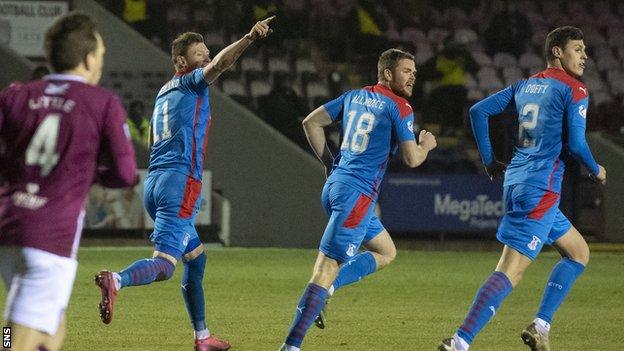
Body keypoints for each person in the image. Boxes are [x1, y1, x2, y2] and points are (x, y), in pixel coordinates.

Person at [94, 16, 275, 351]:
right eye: (199, 54)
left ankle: (203, 338)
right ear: (181, 61)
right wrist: (250, 36)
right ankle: (116, 280)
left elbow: (152, 139)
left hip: (155, 181)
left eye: (206, 52)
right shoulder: (192, 82)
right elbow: (224, 62)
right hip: (179, 183)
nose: (206, 57)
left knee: (197, 258)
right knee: (164, 265)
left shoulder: (164, 92)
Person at [438, 26, 607, 351]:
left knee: (578, 252)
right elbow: (576, 142)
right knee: (510, 270)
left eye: (585, 49)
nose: (585, 55)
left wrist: (489, 160)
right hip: (540, 188)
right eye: (577, 48)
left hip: (519, 181)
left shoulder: (525, 86)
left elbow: (478, 111)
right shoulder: (575, 90)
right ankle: (459, 343)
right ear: (557, 52)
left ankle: (541, 325)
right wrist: (596, 169)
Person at [278, 48, 437, 351]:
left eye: (414, 72)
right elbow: (412, 158)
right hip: (357, 196)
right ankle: (291, 346)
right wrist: (426, 144)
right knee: (324, 269)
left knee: (386, 250)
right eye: (407, 71)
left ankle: (329, 290)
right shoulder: (400, 107)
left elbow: (310, 123)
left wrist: (328, 162)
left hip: (337, 186)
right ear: (387, 74)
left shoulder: (353, 96)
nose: (413, 76)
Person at [0, 12, 137, 351]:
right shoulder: (101, 102)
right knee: (13, 337)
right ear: (90, 59)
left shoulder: (15, 95)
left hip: (8, 228)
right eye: (101, 55)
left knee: (50, 330)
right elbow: (125, 174)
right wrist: (86, 170)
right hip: (49, 238)